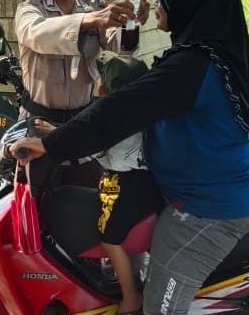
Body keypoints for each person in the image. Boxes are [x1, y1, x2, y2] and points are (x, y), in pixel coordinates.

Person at [13, 0, 249, 315]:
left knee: (157, 308)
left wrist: (52, 145)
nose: (161, 6)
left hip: (208, 208)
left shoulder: (191, 67)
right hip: (211, 185)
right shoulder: (209, 53)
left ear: (188, 4)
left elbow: (121, 109)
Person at [14, 0, 148, 186]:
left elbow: (118, 48)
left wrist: (131, 24)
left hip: (84, 125)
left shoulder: (93, 3)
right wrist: (88, 20)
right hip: (39, 125)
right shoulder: (30, 10)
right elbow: (38, 35)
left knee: (88, 202)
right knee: (39, 206)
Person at [92, 55, 164, 315]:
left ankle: (130, 297)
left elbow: (85, 148)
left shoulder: (109, 118)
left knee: (110, 240)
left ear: (102, 91)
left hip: (123, 184)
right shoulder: (150, 110)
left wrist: (53, 137)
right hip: (150, 181)